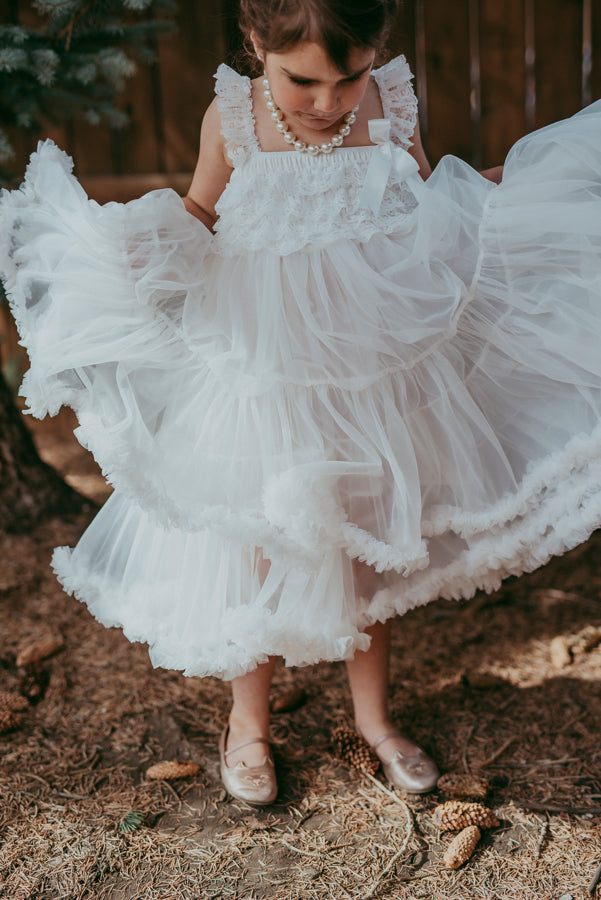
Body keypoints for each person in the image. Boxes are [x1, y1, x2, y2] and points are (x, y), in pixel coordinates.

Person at [1, 0, 600, 807]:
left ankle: (374, 718)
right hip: (263, 365)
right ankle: (248, 724)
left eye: (346, 77)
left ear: (373, 59)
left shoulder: (390, 104)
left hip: (370, 359)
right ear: (257, 47)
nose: (326, 102)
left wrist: (497, 196)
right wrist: (140, 246)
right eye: (302, 81)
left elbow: (427, 204)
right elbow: (201, 214)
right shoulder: (234, 119)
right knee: (258, 539)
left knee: (367, 530)